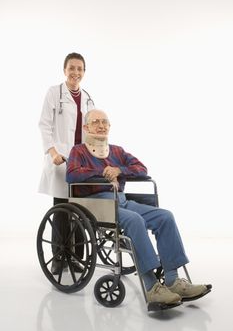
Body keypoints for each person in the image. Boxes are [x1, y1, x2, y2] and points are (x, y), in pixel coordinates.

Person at [66, 109, 212, 307]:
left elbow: (142, 169)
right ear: (86, 127)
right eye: (95, 122)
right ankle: (152, 286)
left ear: (109, 126)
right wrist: (102, 172)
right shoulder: (79, 151)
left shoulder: (117, 151)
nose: (101, 126)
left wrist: (119, 170)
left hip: (123, 200)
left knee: (165, 217)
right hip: (97, 203)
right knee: (135, 220)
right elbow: (72, 175)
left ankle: (172, 280)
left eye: (104, 122)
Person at [38, 52, 95, 275]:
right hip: (61, 160)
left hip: (81, 162)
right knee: (62, 210)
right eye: (72, 68)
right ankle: (59, 257)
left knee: (80, 210)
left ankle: (77, 258)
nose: (76, 72)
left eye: (80, 69)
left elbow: (92, 129)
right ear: (64, 70)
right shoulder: (54, 93)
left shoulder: (89, 98)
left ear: (84, 72)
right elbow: (44, 125)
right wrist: (52, 152)